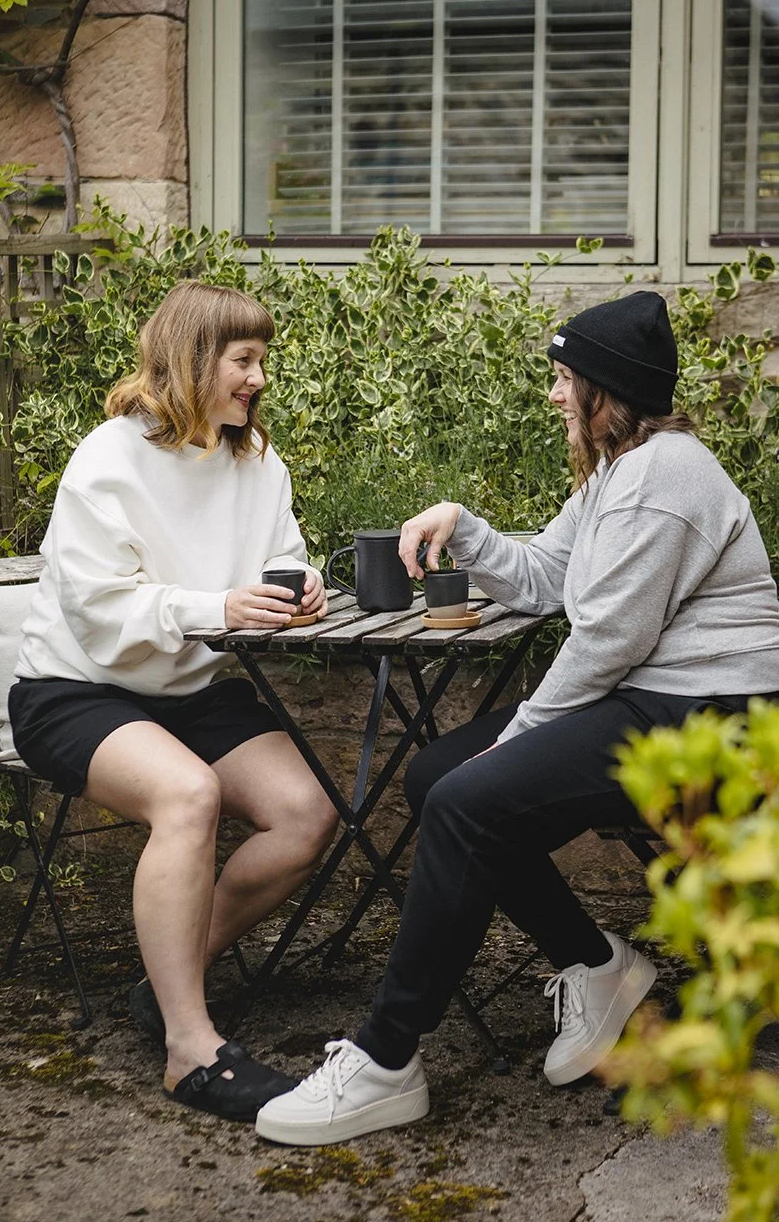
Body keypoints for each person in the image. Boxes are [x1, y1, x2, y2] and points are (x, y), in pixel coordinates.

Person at [255, 289, 779, 1146]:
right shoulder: (618, 470)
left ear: (608, 390)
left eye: (566, 378)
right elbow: (543, 577)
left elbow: (605, 641)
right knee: (435, 777)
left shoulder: (662, 476)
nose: (554, 393)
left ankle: (386, 1059)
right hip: (656, 695)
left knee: (469, 797)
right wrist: (463, 528)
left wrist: (511, 739)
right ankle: (596, 965)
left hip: (715, 712)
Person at [8, 281, 338, 1122]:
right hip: (75, 689)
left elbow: (282, 556)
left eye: (261, 360)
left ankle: (166, 980)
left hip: (187, 688)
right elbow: (102, 614)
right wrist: (216, 606)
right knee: (188, 794)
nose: (259, 378)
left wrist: (302, 586)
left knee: (307, 813)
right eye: (244, 361)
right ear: (193, 359)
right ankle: (190, 1048)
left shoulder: (255, 462)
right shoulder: (108, 461)